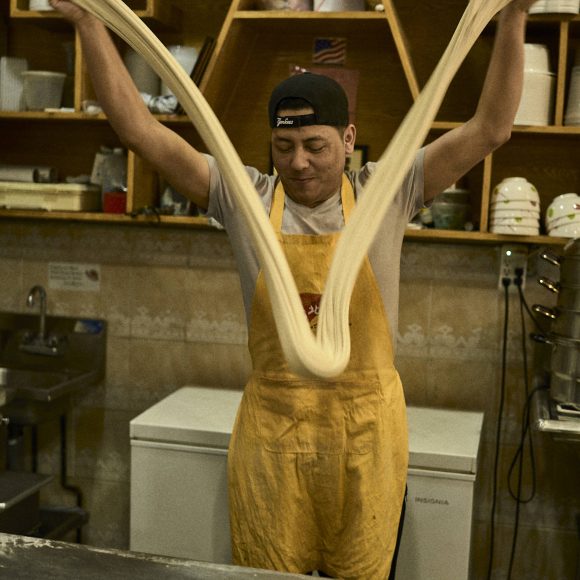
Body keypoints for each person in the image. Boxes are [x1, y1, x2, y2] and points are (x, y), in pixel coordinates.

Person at [51, 1, 538, 578]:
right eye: (284, 149)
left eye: (316, 146)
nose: (299, 163)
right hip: (275, 436)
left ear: (349, 137)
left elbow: (491, 130)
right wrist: (87, 21)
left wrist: (514, 17)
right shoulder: (245, 198)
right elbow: (139, 129)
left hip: (366, 437)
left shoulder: (386, 192)